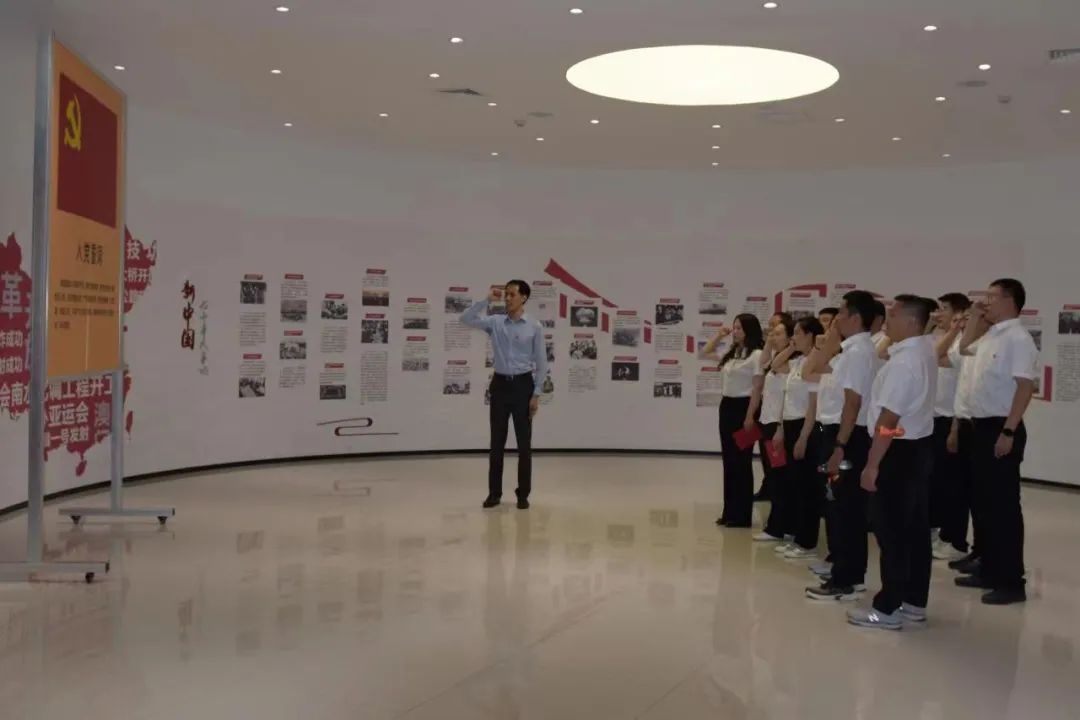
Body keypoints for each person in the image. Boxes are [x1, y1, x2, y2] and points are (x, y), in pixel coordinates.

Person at [847, 295, 938, 630]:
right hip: (915, 448)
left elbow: (888, 419)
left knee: (892, 532)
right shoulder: (922, 350)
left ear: (912, 322)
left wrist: (872, 464)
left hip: (897, 452)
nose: (887, 320)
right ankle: (913, 600)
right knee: (914, 530)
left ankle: (887, 608)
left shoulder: (905, 362)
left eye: (894, 315)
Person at [955, 279, 1038, 605]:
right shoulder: (991, 335)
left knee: (1003, 508)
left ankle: (1011, 581)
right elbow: (963, 348)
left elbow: (1025, 387)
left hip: (1000, 428)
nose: (985, 301)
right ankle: (989, 569)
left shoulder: (1018, 339)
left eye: (992, 297)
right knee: (984, 504)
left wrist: (1009, 431)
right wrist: (975, 318)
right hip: (980, 428)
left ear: (1010, 301)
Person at [803, 290, 878, 601]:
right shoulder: (848, 351)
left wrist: (839, 445)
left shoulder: (859, 352)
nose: (835, 322)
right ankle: (847, 573)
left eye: (841, 314)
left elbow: (853, 402)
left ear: (855, 318)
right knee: (839, 506)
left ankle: (845, 580)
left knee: (845, 508)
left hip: (846, 436)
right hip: (836, 432)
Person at [461, 281, 548, 510]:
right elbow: (466, 319)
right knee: (496, 443)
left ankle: (523, 494)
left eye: (512, 294)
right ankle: (494, 493)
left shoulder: (534, 326)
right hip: (500, 386)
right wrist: (486, 300)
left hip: (523, 386)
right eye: (506, 294)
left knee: (524, 445)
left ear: (524, 298)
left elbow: (542, 363)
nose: (507, 298)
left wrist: (536, 394)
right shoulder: (496, 322)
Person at [766, 317, 825, 558]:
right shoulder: (798, 361)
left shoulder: (815, 362)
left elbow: (813, 405)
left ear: (810, 335)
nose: (793, 337)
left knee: (808, 487)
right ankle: (797, 535)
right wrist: (781, 428)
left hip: (805, 426)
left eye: (798, 333)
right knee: (795, 484)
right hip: (789, 424)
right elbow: (774, 365)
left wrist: (803, 437)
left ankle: (807, 542)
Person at [704, 314, 765, 528]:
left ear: (749, 330)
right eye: (734, 327)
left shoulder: (757, 355)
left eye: (739, 328)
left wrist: (750, 415)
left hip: (745, 408)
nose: (735, 331)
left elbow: (757, 388)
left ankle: (741, 515)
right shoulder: (734, 353)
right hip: (727, 407)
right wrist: (719, 335)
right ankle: (729, 512)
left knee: (742, 462)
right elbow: (705, 352)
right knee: (729, 461)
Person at [928, 293, 973, 561]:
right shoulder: (944, 339)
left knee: (954, 485)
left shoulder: (962, 343)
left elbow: (937, 357)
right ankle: (941, 532)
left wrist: (954, 329)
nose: (938, 314)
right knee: (938, 481)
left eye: (944, 309)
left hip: (952, 419)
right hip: (936, 419)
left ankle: (954, 538)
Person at [755, 315, 796, 541]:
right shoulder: (775, 358)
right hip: (767, 423)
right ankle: (783, 525)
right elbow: (763, 363)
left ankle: (777, 527)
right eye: (772, 332)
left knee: (779, 478)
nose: (773, 336)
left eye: (779, 333)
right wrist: (770, 344)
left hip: (777, 425)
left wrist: (791, 347)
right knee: (774, 475)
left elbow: (775, 365)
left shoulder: (791, 363)